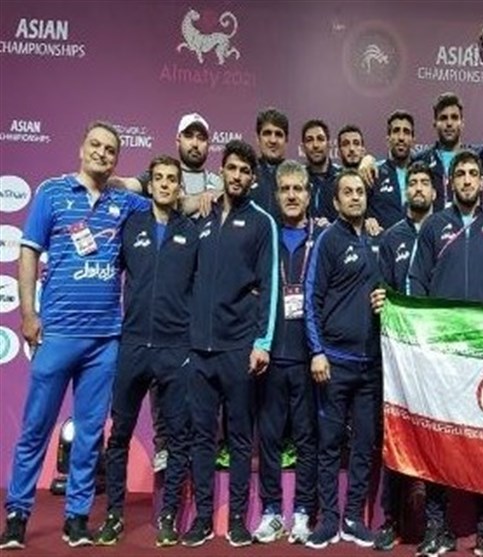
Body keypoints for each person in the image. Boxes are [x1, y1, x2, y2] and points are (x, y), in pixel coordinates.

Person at [0, 121, 150, 550]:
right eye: (96, 146)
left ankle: (77, 518)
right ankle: (17, 515)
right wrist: (28, 314)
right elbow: (28, 252)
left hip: (105, 340)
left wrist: (203, 195)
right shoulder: (51, 193)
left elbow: (167, 197)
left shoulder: (125, 202)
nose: (102, 153)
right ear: (81, 149)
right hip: (57, 335)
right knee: (35, 429)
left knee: (89, 434)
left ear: (117, 160)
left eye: (111, 150)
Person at [407, 150, 483, 557]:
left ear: (481, 181)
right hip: (443, 355)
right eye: (461, 174)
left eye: (474, 173)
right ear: (450, 182)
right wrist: (425, 338)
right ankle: (437, 525)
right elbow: (415, 284)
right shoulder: (434, 226)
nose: (468, 179)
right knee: (440, 439)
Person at [181, 140, 279, 548]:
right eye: (232, 168)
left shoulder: (261, 222)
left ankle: (238, 518)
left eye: (244, 171)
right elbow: (186, 279)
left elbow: (270, 285)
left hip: (239, 348)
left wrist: (262, 342)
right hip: (198, 349)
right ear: (221, 170)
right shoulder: (201, 217)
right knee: (202, 437)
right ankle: (203, 517)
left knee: (240, 438)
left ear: (252, 178)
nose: (237, 176)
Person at [96, 155, 198, 547]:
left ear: (178, 187)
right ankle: (114, 516)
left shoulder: (191, 232)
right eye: (159, 178)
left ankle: (168, 515)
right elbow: (108, 274)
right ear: (150, 184)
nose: (166, 184)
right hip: (133, 346)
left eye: (172, 179)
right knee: (119, 434)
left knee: (176, 438)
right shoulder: (131, 225)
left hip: (175, 349)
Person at [304, 170, 383, 549]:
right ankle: (327, 520)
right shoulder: (328, 240)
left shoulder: (377, 239)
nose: (355, 197)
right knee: (330, 444)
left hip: (370, 365)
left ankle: (353, 518)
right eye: (347, 192)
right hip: (334, 362)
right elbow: (311, 297)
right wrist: (317, 351)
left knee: (364, 444)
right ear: (335, 202)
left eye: (359, 192)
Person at [253, 160, 320, 545]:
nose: (292, 195)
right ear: (276, 195)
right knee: (270, 437)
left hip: (309, 355)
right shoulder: (265, 236)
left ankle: (303, 512)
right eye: (285, 189)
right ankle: (272, 511)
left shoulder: (322, 236)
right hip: (271, 356)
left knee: (307, 438)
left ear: (308, 194)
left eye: (298, 188)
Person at [372, 161, 438, 552]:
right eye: (412, 182)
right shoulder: (391, 238)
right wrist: (379, 299)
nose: (417, 188)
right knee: (395, 436)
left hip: (438, 356)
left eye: (424, 182)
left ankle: (435, 522)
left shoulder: (447, 232)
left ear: (434, 191)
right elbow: (381, 287)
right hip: (398, 356)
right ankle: (390, 519)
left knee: (437, 438)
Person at [360, 92, 483, 213]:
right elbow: (394, 163)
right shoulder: (420, 161)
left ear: (462, 123)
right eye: (443, 118)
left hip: (468, 239)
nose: (449, 123)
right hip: (432, 240)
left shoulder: (478, 157)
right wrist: (367, 159)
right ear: (435, 123)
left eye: (454, 118)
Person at [365, 110, 416, 235]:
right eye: (396, 131)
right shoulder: (374, 172)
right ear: (388, 139)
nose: (401, 137)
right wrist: (366, 220)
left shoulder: (423, 173)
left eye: (406, 132)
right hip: (383, 243)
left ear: (413, 140)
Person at [250, 107, 290, 217]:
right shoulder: (246, 172)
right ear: (258, 138)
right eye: (267, 133)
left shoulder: (296, 175)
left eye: (278, 134)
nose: (273, 140)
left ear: (286, 140)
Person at [302, 119, 341, 223]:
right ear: (303, 147)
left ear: (328, 144)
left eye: (320, 139)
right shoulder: (298, 179)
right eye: (309, 140)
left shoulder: (342, 178)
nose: (315, 145)